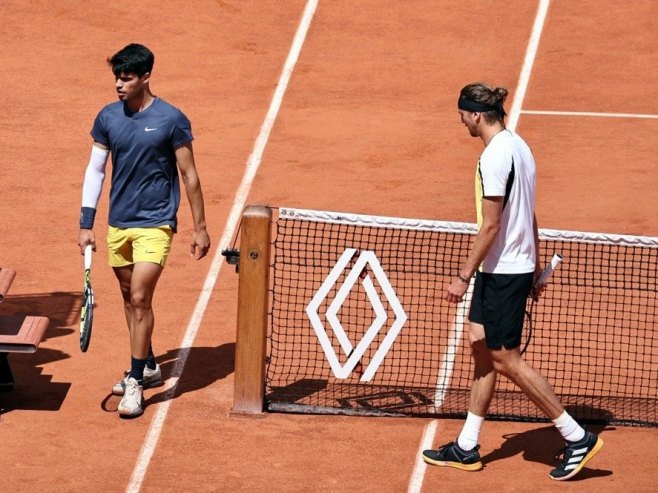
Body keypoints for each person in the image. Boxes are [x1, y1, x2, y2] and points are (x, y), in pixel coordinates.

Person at [422, 83, 603, 480]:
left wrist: (461, 276)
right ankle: (467, 447)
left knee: (506, 359)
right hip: (508, 268)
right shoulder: (520, 146)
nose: (461, 122)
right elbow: (529, 213)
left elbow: (491, 225)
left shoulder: (494, 157)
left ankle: (577, 436)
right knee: (481, 348)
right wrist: (536, 266)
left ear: (475, 115)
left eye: (462, 116)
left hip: (502, 272)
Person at [77, 43, 211, 417]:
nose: (119, 84)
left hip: (156, 223)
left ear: (146, 76)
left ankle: (135, 380)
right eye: (117, 77)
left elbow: (189, 175)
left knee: (139, 298)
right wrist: (86, 223)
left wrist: (200, 228)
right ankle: (150, 363)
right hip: (118, 224)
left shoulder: (171, 119)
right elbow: (96, 171)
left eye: (127, 77)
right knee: (126, 294)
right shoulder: (107, 118)